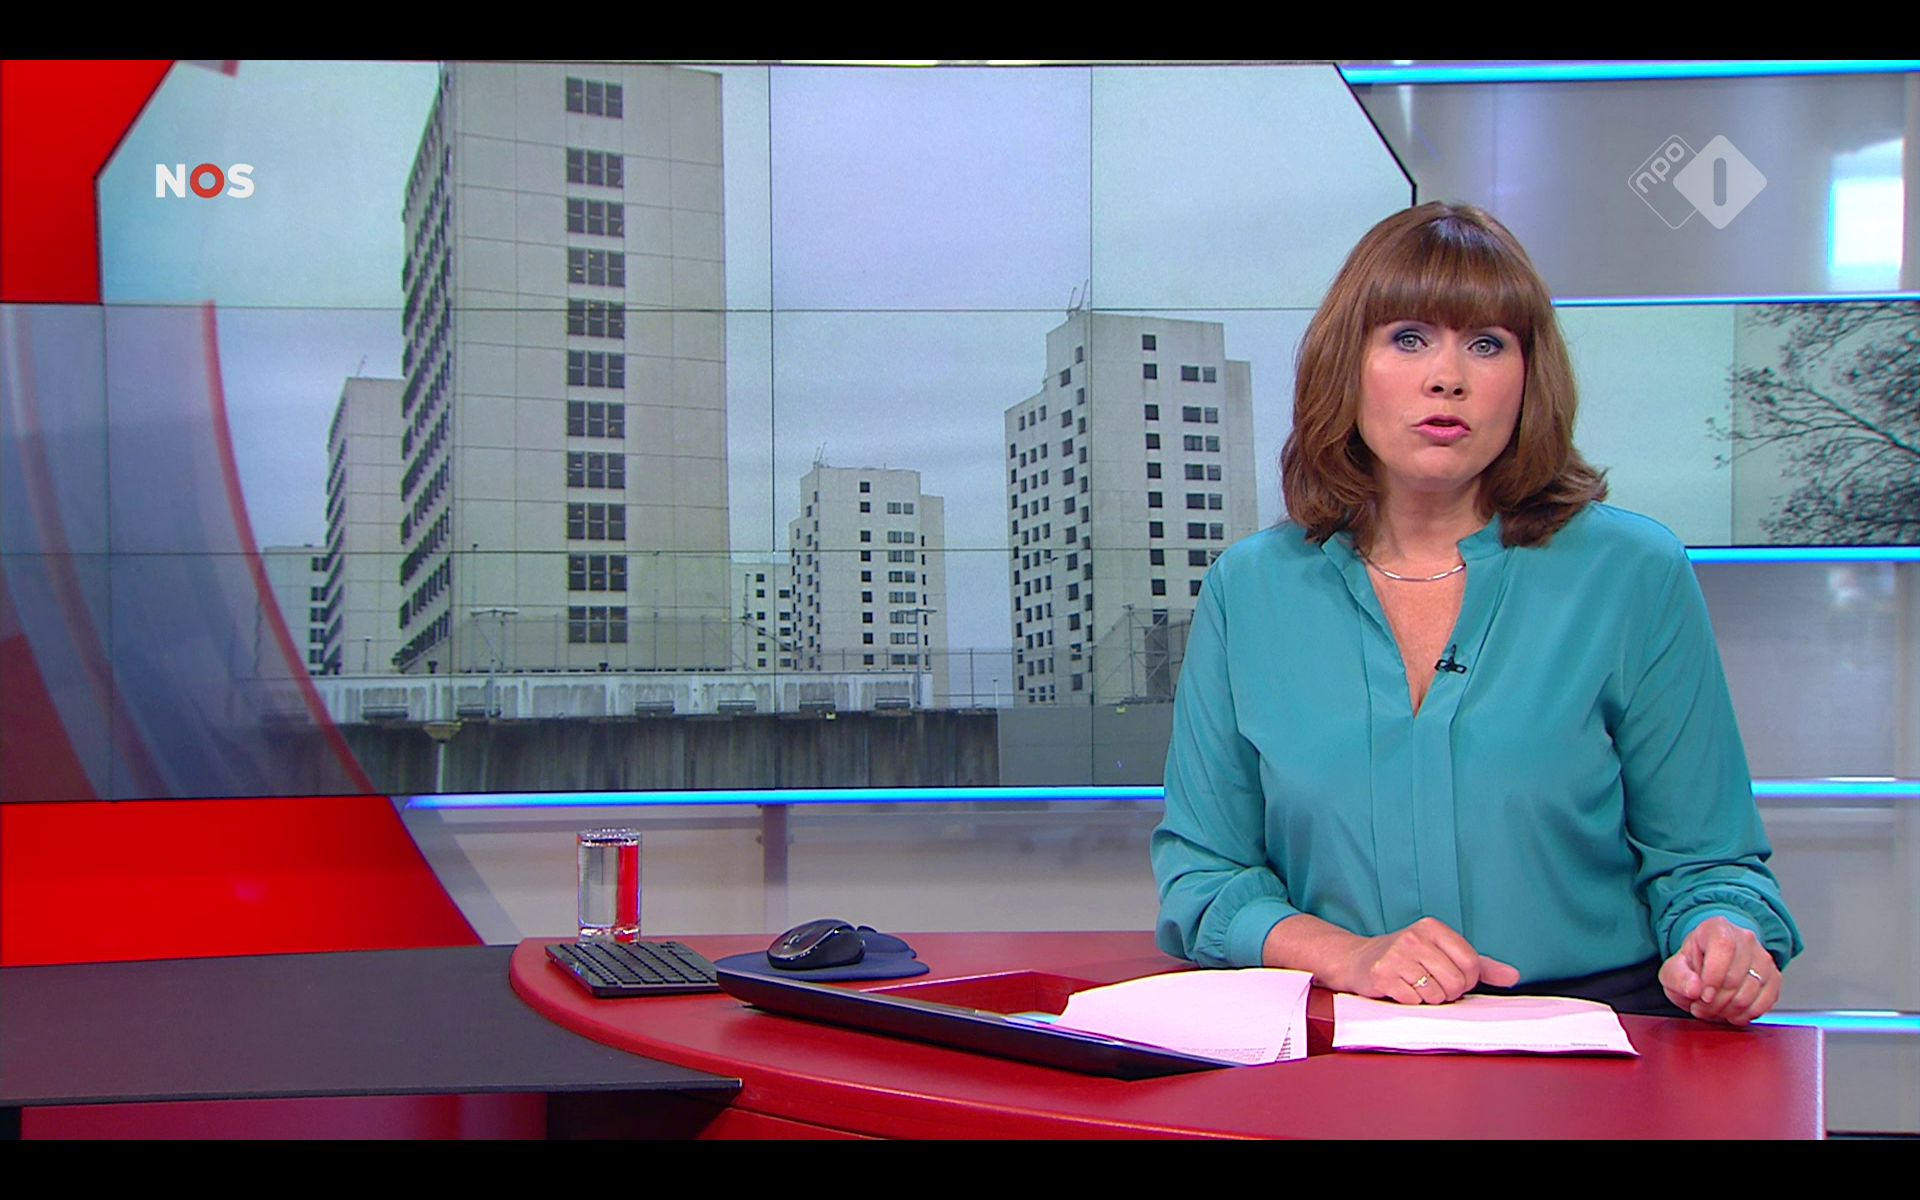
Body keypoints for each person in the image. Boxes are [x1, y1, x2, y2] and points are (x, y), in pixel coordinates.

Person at [1152, 202, 1801, 1023]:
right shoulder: (1252, 589)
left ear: (1528, 378)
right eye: (1409, 338)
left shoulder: (1632, 572)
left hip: (1595, 1031)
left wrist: (1722, 937)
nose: (1447, 377)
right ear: (1345, 366)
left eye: (1487, 344)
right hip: (1343, 1026)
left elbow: (1709, 865)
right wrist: (1349, 955)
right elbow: (1204, 878)